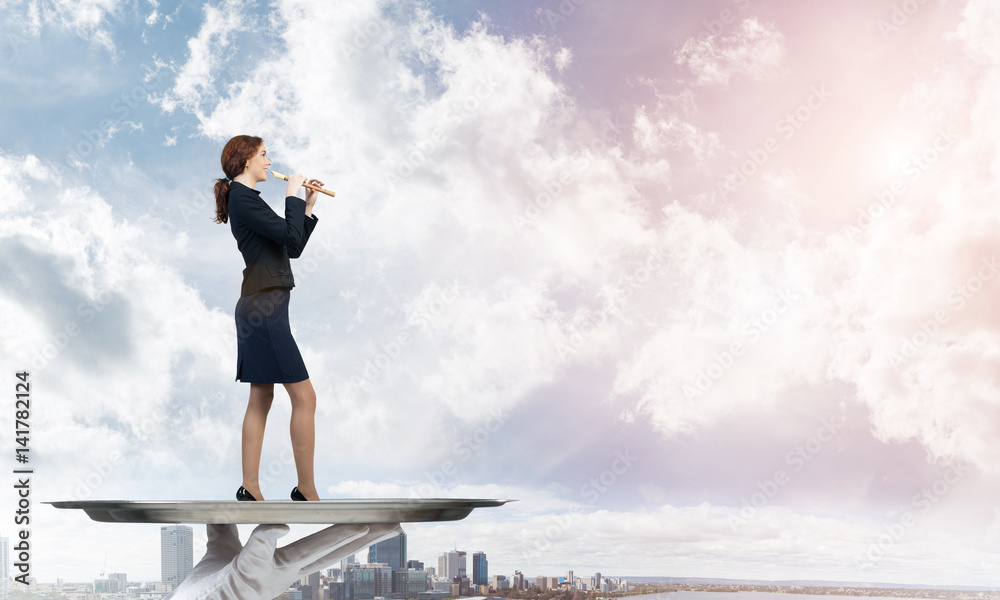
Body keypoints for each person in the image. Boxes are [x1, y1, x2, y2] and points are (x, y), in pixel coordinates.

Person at [212, 134, 325, 501]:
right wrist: (292, 195)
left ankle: (251, 486)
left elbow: (290, 246)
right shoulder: (242, 198)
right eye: (264, 155)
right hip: (265, 307)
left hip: (259, 305)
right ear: (246, 160)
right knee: (304, 398)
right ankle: (305, 489)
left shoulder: (245, 200)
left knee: (261, 397)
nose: (269, 161)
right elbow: (289, 239)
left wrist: (305, 204)